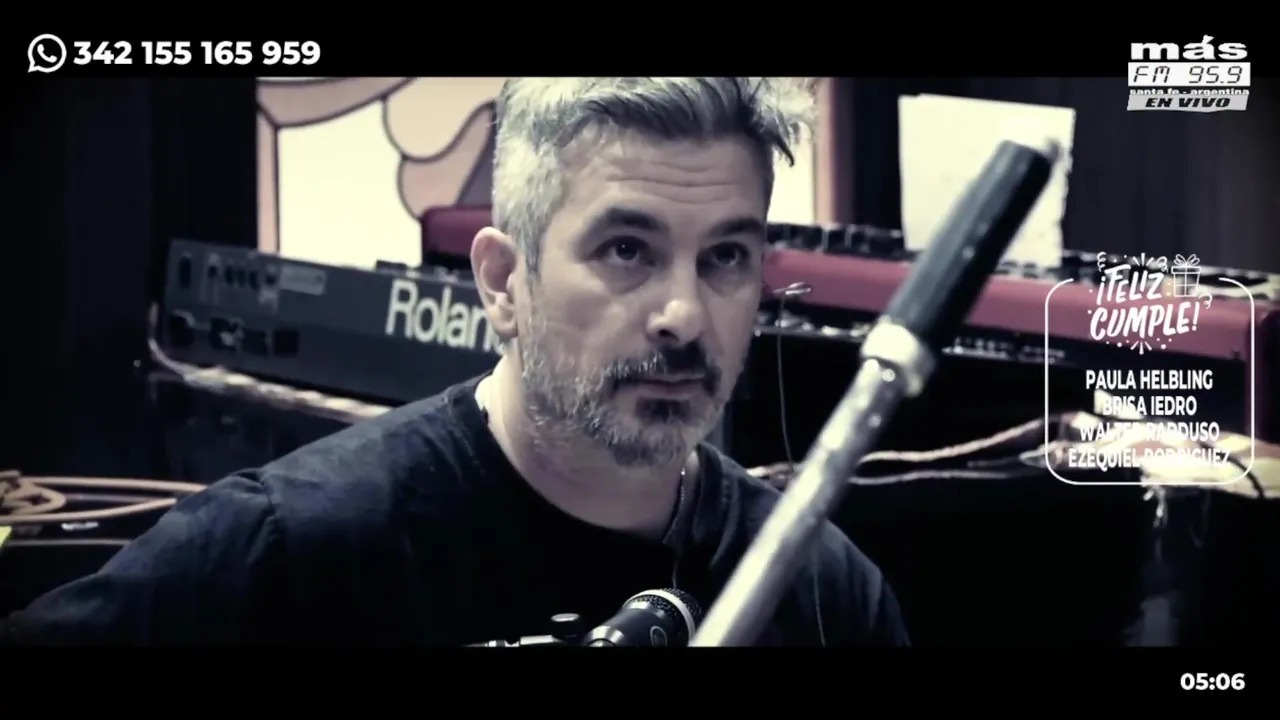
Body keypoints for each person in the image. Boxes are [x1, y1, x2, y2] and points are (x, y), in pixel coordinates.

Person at [3, 78, 909, 646]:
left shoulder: (826, 591)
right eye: (627, 250)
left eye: (725, 257)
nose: (684, 314)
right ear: (504, 282)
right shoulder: (288, 548)